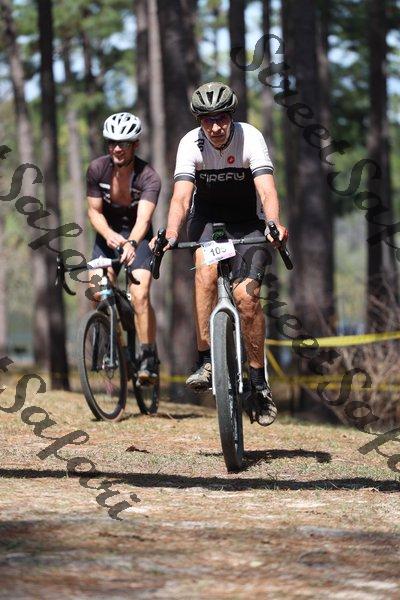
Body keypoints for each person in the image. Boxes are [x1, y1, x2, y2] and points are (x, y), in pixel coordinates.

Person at [161, 82, 288, 426]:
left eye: (221, 118)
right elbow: (181, 198)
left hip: (248, 223)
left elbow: (267, 190)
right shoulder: (190, 143)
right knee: (204, 269)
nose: (215, 127)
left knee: (247, 298)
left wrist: (273, 223)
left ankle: (258, 383)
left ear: (232, 117)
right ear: (199, 121)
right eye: (207, 120)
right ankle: (205, 359)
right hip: (208, 224)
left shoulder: (250, 137)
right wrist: (171, 232)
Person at [86, 111, 161, 383]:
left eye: (124, 143)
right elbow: (94, 211)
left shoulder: (149, 177)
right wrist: (108, 234)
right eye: (112, 142)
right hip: (107, 236)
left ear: (135, 144)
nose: (117, 148)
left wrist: (131, 243)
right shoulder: (97, 169)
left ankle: (148, 355)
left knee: (139, 295)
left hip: (138, 237)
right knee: (96, 291)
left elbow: (144, 219)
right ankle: (112, 342)